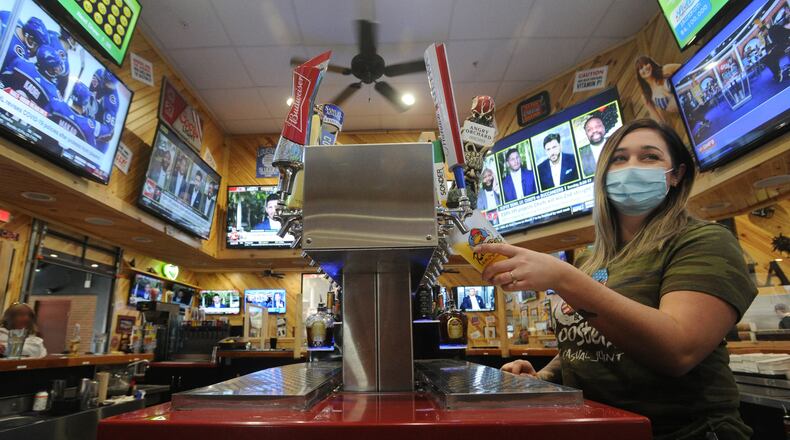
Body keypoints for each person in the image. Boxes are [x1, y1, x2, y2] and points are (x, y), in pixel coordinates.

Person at [480, 119, 756, 439]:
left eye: (649, 156)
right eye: (619, 158)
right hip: (600, 428)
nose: (631, 167)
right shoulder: (592, 258)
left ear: (677, 175)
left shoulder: (704, 241)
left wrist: (563, 278)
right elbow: (590, 345)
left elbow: (679, 350)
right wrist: (543, 377)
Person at [635, 56, 681, 122]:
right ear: (639, 74)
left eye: (646, 63)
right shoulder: (646, 95)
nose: (645, 67)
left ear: (651, 64)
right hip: (684, 117)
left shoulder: (665, 69)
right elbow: (657, 119)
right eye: (641, 68)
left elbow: (686, 68)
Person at [764, 13, 789, 82]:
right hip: (779, 45)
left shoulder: (774, 29)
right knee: (766, 59)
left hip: (783, 46)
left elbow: (777, 41)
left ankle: (777, 73)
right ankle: (777, 72)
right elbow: (773, 42)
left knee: (771, 57)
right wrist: (770, 49)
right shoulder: (776, 28)